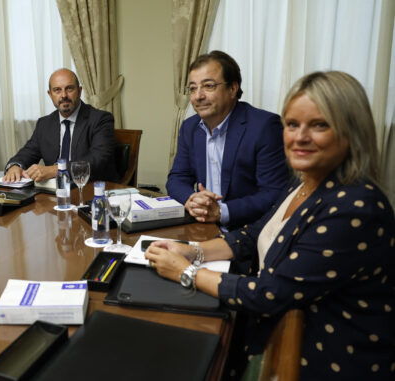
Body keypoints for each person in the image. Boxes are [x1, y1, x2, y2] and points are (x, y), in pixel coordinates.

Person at [146, 71, 395, 380]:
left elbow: (269, 294)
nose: (299, 137)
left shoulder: (356, 206)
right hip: (273, 333)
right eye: (292, 125)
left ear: (350, 133)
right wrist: (190, 250)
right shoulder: (305, 182)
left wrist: (185, 272)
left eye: (319, 125)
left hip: (326, 359)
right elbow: (252, 237)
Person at [166, 51, 288, 230]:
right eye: (193, 88)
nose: (198, 96)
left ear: (232, 89)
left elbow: (273, 194)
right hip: (202, 227)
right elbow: (177, 178)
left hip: (248, 232)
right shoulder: (190, 127)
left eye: (208, 86)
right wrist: (191, 199)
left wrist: (221, 211)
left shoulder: (264, 127)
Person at [3, 68, 118, 182]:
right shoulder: (44, 124)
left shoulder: (100, 119)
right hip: (53, 193)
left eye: (69, 89)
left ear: (79, 91)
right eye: (57, 90)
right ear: (50, 94)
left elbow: (97, 160)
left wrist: (56, 170)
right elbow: (27, 153)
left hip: (90, 190)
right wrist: (15, 166)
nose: (64, 95)